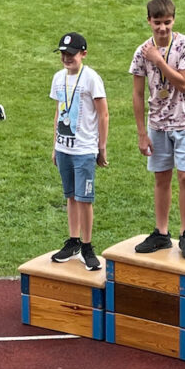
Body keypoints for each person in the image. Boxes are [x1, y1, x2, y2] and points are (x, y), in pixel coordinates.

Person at [129, 0, 185, 260]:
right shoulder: (141, 52)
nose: (162, 28)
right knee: (161, 178)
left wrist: (159, 61)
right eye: (157, 22)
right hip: (158, 125)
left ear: (174, 20)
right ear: (148, 21)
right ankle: (161, 233)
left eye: (167, 22)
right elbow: (138, 94)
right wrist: (142, 133)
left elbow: (184, 83)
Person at [49, 32, 108, 271]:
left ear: (83, 54)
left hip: (84, 149)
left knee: (85, 199)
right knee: (71, 196)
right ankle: (73, 241)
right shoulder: (58, 78)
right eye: (63, 53)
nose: (66, 58)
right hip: (64, 147)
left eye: (71, 54)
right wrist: (55, 145)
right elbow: (58, 112)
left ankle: (87, 245)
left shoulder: (91, 78)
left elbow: (103, 114)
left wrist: (101, 147)